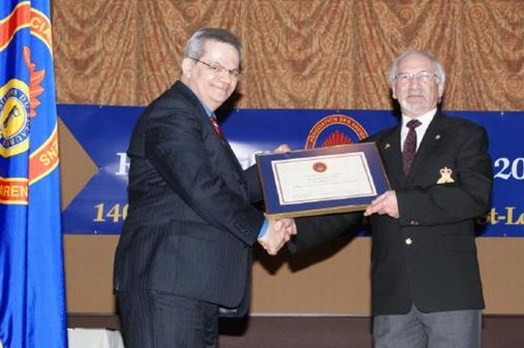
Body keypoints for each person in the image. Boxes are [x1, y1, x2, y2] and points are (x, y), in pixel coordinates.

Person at [285, 49, 493, 348]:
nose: (414, 84)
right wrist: (295, 227)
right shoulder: (371, 147)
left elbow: (476, 197)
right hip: (392, 298)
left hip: (451, 295)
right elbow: (345, 210)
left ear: (441, 87)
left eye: (424, 76)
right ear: (394, 90)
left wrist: (404, 203)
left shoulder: (466, 135)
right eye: (404, 77)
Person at [113, 28, 291, 347]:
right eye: (215, 66)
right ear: (187, 65)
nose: (225, 78)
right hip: (169, 285)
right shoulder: (172, 113)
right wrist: (263, 228)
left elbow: (226, 188)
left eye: (233, 71)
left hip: (195, 286)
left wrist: (271, 172)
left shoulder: (200, 119)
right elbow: (200, 187)